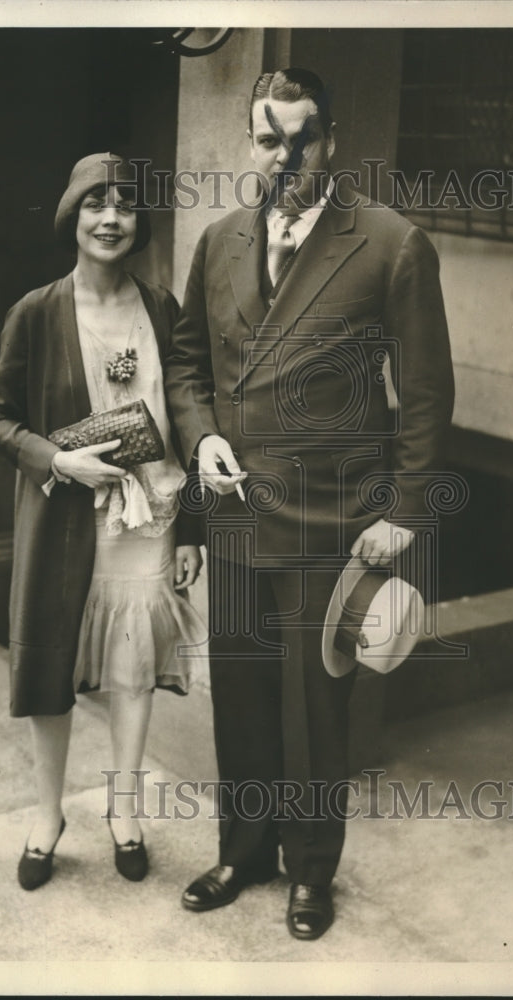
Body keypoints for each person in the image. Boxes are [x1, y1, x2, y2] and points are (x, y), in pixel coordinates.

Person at [165, 68, 454, 939]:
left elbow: (429, 390)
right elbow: (188, 365)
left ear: (330, 142)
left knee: (315, 711)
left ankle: (310, 869)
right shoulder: (218, 241)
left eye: (304, 137)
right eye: (269, 137)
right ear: (250, 143)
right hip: (238, 514)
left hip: (335, 526)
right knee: (243, 697)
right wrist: (201, 435)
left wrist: (405, 510)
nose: (286, 155)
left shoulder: (391, 243)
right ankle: (244, 850)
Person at [0, 152, 205, 889]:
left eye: (125, 206)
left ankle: (124, 811)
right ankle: (48, 817)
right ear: (73, 218)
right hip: (67, 519)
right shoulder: (37, 312)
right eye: (94, 205)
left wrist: (194, 529)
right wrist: (57, 460)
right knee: (52, 666)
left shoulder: (164, 308)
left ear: (139, 222)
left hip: (149, 522)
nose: (111, 218)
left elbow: (193, 414)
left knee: (132, 670)